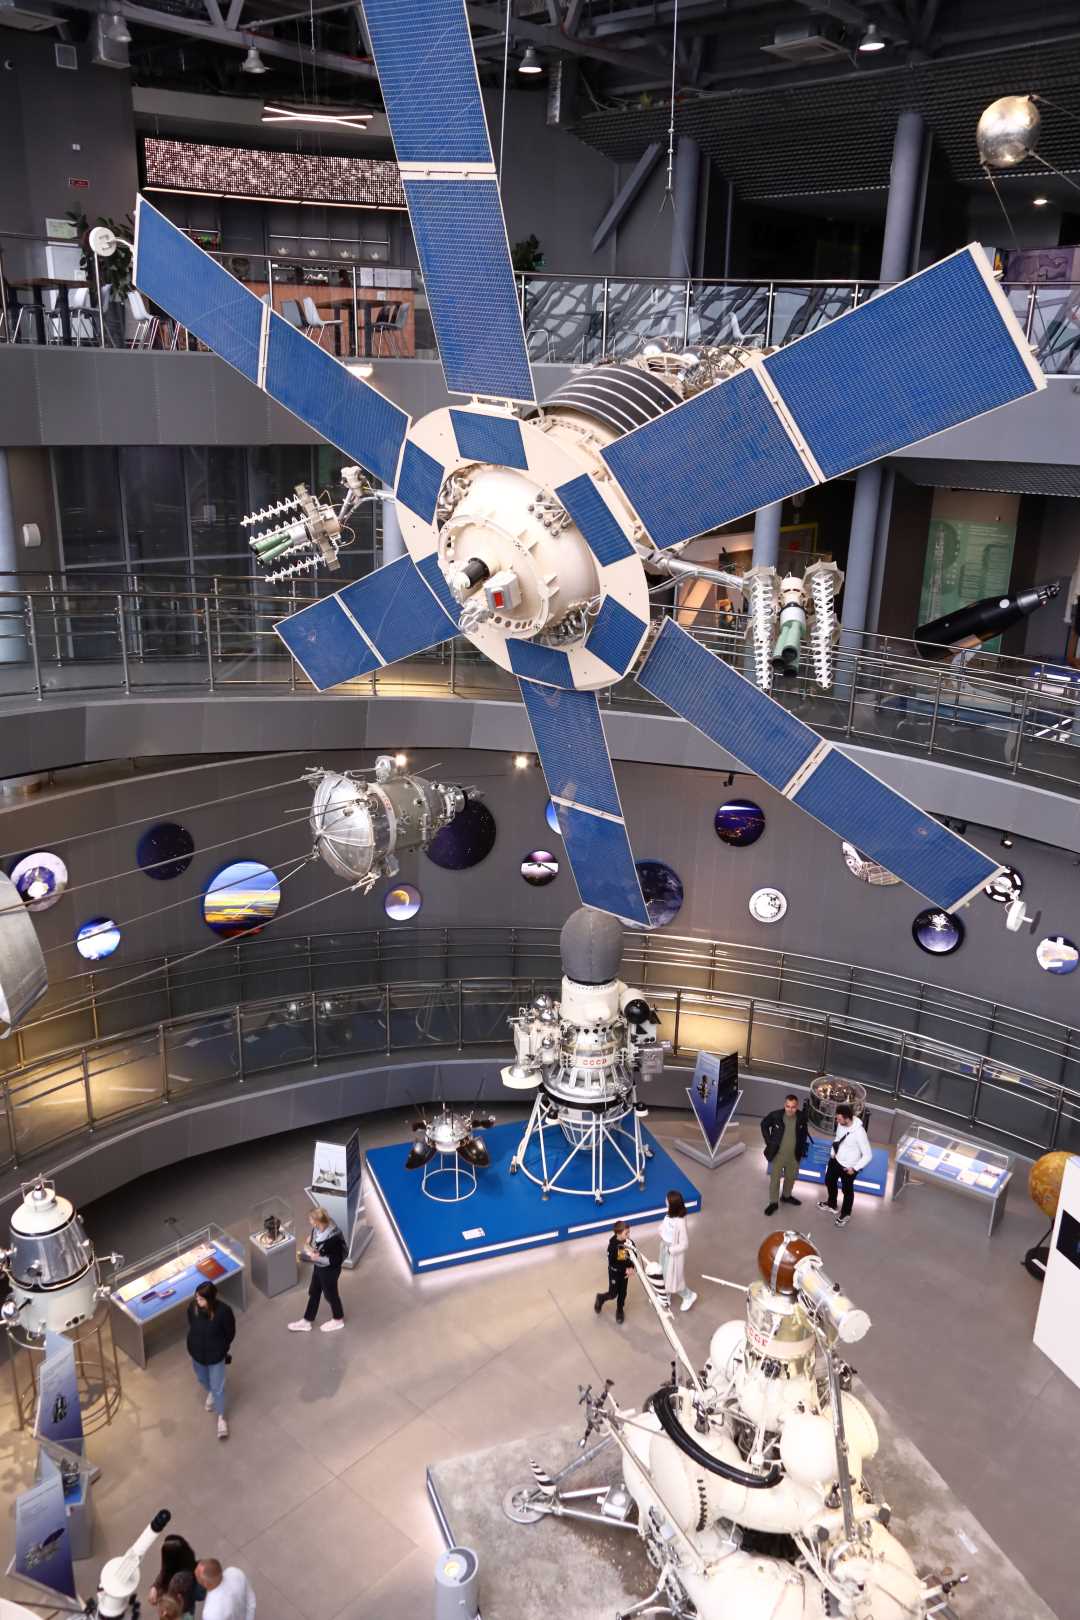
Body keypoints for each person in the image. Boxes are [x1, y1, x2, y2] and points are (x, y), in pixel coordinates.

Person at [186, 1281, 235, 1440]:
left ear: (210, 1299)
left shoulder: (224, 1312)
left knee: (217, 1387)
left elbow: (230, 1333)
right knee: (202, 1378)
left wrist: (221, 1348)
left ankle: (221, 1418)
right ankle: (211, 1393)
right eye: (196, 1297)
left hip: (215, 1357)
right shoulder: (193, 1308)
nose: (197, 1301)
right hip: (197, 1354)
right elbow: (191, 1324)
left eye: (201, 1299)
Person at [288, 1207, 347, 1333]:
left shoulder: (334, 1238)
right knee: (314, 1291)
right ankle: (307, 1320)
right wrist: (310, 1244)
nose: (309, 1221)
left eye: (311, 1219)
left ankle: (338, 1319)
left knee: (331, 1294)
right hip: (319, 1266)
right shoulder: (317, 1229)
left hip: (330, 1270)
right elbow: (316, 1243)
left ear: (317, 1221)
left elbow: (335, 1260)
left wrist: (318, 1257)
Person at [819, 1104, 873, 1228]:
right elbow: (838, 1138)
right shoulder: (841, 1124)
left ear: (847, 1118)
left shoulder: (859, 1133)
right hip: (836, 1161)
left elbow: (868, 1155)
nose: (837, 1121)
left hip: (849, 1168)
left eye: (839, 1119)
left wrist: (854, 1169)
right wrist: (833, 1153)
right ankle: (832, 1204)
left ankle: (846, 1214)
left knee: (847, 1191)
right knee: (829, 1181)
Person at [761, 1093, 810, 1216]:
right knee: (775, 1180)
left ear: (797, 1106)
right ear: (785, 1105)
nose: (790, 1110)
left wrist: (801, 1148)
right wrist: (769, 1142)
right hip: (778, 1155)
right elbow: (764, 1124)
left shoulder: (801, 1117)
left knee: (791, 1178)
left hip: (794, 1156)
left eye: (793, 1107)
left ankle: (786, 1196)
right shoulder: (776, 1115)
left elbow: (804, 1133)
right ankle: (773, 1203)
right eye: (788, 1106)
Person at [659, 1189, 697, 1312]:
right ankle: (666, 1295)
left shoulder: (680, 1222)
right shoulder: (669, 1214)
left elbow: (684, 1244)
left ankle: (689, 1296)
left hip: (673, 1253)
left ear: (673, 1205)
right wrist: (661, 1231)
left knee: (675, 1279)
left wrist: (671, 1250)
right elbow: (665, 1226)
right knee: (664, 1274)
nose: (665, 1201)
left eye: (667, 1200)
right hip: (665, 1248)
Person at [148, 1534, 201, 1616]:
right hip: (187, 1603)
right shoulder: (188, 1561)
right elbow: (164, 1571)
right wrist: (155, 1587)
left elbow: (170, 1602)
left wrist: (159, 1600)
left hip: (180, 1609)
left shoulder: (178, 1580)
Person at [594, 1220, 633, 1324]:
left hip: (625, 1274)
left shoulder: (629, 1242)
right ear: (618, 1233)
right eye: (626, 1233)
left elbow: (633, 1256)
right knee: (613, 1294)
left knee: (623, 1293)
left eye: (629, 1232)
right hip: (615, 1274)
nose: (629, 1235)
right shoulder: (612, 1247)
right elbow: (612, 1264)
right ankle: (600, 1298)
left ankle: (620, 1310)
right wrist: (625, 1269)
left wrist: (631, 1267)